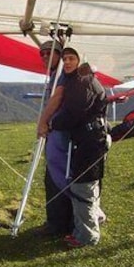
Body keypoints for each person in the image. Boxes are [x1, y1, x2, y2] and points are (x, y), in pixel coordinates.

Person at [46, 47, 109, 248]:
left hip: (91, 142)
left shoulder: (84, 82)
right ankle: (95, 219)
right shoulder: (82, 80)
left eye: (72, 58)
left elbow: (74, 112)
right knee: (89, 184)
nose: (68, 62)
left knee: (82, 186)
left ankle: (87, 236)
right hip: (90, 139)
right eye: (65, 59)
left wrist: (51, 123)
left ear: (81, 60)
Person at [33, 39, 75, 237]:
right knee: (52, 177)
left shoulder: (64, 74)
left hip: (62, 135)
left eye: (50, 52)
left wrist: (43, 121)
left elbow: (57, 97)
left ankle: (62, 225)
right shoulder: (54, 74)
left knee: (59, 177)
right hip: (56, 133)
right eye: (42, 54)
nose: (44, 57)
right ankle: (57, 222)